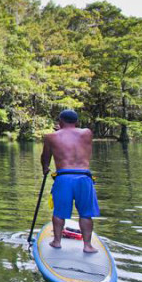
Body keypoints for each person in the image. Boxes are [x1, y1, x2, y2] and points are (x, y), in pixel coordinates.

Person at [40, 108, 100, 253]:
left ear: (60, 122)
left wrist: (45, 168)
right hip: (84, 178)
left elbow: (45, 157)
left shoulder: (51, 137)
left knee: (59, 212)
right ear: (77, 122)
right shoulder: (87, 133)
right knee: (86, 214)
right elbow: (73, 136)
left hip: (64, 177)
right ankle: (87, 246)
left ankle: (56, 242)